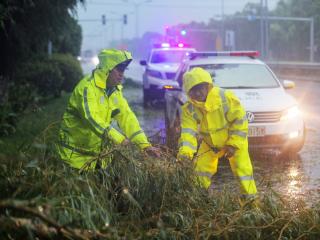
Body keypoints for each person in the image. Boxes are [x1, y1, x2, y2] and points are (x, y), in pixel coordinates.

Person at [57, 49, 159, 170]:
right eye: (119, 70)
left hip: (99, 157)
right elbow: (92, 119)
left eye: (123, 70)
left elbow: (127, 118)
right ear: (107, 69)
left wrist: (145, 145)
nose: (122, 74)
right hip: (74, 157)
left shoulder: (114, 91)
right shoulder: (87, 88)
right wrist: (119, 139)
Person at [177, 67, 257, 198]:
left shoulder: (225, 97)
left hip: (234, 142)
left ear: (207, 86)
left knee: (243, 173)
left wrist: (233, 145)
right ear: (188, 92)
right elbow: (188, 134)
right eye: (193, 90)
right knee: (200, 172)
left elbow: (240, 121)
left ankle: (252, 206)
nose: (198, 93)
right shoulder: (189, 109)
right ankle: (199, 200)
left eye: (200, 88)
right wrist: (185, 155)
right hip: (209, 145)